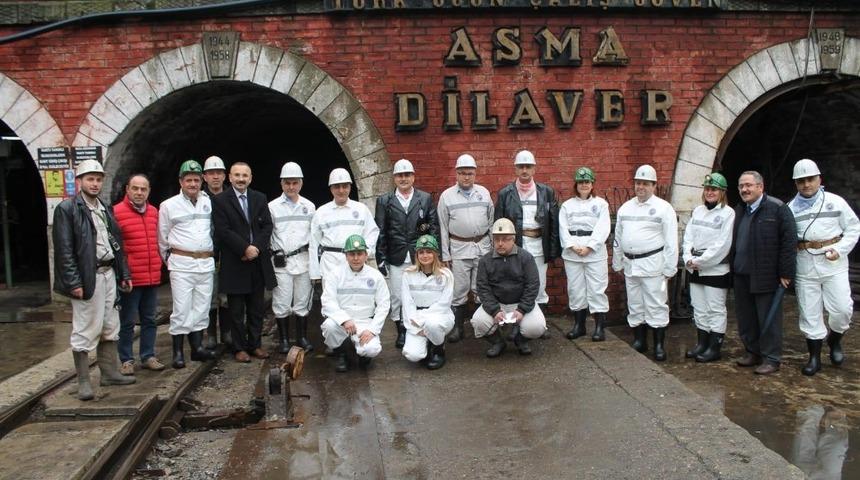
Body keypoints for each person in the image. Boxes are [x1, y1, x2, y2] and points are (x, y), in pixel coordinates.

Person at [53, 159, 135, 400]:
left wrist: (124, 273)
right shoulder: (68, 209)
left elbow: (116, 244)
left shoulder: (104, 208)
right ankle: (84, 382)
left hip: (109, 273)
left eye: (98, 179)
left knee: (110, 324)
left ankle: (109, 373)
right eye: (90, 179)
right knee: (86, 328)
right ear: (80, 181)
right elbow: (64, 249)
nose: (95, 183)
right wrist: (73, 282)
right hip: (88, 276)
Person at [789, 159, 860, 376]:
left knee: (842, 308)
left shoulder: (835, 202)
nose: (806, 185)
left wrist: (840, 249)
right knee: (809, 312)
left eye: (810, 179)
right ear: (796, 183)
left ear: (819, 179)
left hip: (833, 262)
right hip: (805, 263)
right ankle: (814, 357)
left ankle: (835, 339)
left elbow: (853, 228)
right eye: (801, 181)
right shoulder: (790, 209)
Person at [731, 170, 796, 375]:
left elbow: (789, 242)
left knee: (768, 319)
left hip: (766, 275)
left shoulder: (777, 208)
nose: (744, 189)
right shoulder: (740, 209)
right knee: (746, 317)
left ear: (760, 186)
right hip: (741, 274)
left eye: (749, 185)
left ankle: (771, 358)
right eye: (741, 186)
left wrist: (786, 273)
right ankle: (752, 352)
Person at [612, 165, 678, 361]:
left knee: (656, 305)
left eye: (645, 183)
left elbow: (671, 241)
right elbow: (618, 237)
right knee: (635, 304)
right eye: (638, 183)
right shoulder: (626, 207)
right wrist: (617, 262)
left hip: (653, 265)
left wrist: (669, 267)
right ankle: (640, 340)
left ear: (654, 185)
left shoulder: (664, 208)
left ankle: (658, 345)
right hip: (631, 265)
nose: (641, 187)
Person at [213, 162, 276, 363]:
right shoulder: (221, 200)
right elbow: (223, 230)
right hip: (234, 262)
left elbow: (267, 226)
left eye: (245, 175)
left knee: (257, 308)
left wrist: (255, 248)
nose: (241, 179)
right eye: (237, 175)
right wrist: (244, 248)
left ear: (250, 178)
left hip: (257, 261)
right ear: (229, 178)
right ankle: (239, 348)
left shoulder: (259, 198)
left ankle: (255, 345)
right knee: (237, 310)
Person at [158, 160, 218, 369]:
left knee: (201, 308)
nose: (193, 184)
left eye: (196, 180)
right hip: (182, 263)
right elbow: (162, 238)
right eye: (188, 180)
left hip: (205, 262)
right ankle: (177, 353)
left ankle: (197, 348)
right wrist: (171, 261)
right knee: (182, 309)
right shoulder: (168, 205)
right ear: (181, 182)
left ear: (201, 181)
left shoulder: (207, 202)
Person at [375, 158, 439, 350]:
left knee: (418, 293)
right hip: (396, 255)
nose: (403, 179)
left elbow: (432, 228)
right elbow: (380, 230)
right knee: (397, 295)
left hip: (420, 255)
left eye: (407, 175)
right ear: (394, 178)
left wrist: (434, 255)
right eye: (400, 175)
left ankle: (419, 327)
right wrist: (380, 257)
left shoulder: (424, 198)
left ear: (413, 177)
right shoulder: (384, 200)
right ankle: (401, 330)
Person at [437, 153, 494, 343]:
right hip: (459, 248)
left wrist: (493, 248)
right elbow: (443, 227)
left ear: (475, 173)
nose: (466, 177)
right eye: (462, 173)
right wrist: (445, 253)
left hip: (483, 246)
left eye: (469, 173)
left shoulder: (484, 193)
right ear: (456, 173)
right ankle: (458, 328)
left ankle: (481, 326)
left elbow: (492, 221)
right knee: (459, 290)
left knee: (481, 287)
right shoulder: (447, 196)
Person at [494, 150, 560, 310]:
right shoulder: (505, 193)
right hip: (515, 246)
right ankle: (518, 322)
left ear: (534, 169)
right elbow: (498, 224)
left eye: (528, 167)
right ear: (515, 169)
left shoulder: (546, 192)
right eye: (521, 167)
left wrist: (552, 250)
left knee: (539, 284)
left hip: (538, 246)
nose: (524, 170)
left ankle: (540, 322)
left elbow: (553, 223)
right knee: (517, 284)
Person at [471, 218, 547, 357]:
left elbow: (533, 285)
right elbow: (483, 288)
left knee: (537, 327)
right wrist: (494, 310)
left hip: (520, 303)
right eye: (497, 239)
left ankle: (521, 340)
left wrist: (522, 309)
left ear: (513, 239)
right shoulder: (485, 261)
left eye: (505, 239)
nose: (500, 243)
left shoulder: (526, 258)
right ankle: (498, 342)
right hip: (496, 304)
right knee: (478, 322)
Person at [114, 174, 165, 374]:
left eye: (143, 189)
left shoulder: (154, 212)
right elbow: (116, 248)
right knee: (127, 321)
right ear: (127, 189)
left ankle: (148, 356)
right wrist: (122, 274)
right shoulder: (117, 212)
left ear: (149, 191)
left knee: (150, 319)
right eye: (135, 188)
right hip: (131, 278)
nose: (139, 192)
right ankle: (126, 359)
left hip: (151, 276)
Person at [681, 173, 735, 363]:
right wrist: (688, 257)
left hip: (715, 269)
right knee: (699, 307)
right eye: (707, 188)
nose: (710, 192)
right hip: (695, 267)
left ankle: (714, 347)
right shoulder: (698, 211)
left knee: (715, 308)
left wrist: (701, 261)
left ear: (722, 192)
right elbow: (688, 237)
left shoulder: (728, 213)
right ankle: (702, 344)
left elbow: (722, 244)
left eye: (714, 189)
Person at [320, 234, 390, 372]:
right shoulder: (335, 274)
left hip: (365, 321)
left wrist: (372, 330)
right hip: (343, 322)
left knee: (372, 350)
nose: (356, 258)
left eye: (359, 254)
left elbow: (384, 305)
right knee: (329, 326)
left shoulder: (376, 276)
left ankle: (362, 354)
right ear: (346, 255)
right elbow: (327, 301)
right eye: (352, 254)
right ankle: (342, 354)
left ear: (366, 255)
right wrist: (344, 319)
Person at [558, 167, 611, 341]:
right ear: (576, 184)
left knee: (597, 290)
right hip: (573, 253)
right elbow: (563, 229)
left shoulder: (601, 204)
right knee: (576, 290)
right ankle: (579, 326)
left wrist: (590, 247)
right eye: (580, 182)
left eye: (587, 182)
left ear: (592, 183)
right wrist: (572, 246)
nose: (584, 185)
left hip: (594, 253)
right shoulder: (567, 206)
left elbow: (603, 228)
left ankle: (599, 328)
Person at [268, 162, 316, 353]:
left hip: (303, 259)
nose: (291, 187)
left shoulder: (309, 206)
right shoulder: (272, 207)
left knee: (302, 300)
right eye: (287, 183)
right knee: (282, 300)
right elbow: (267, 234)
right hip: (281, 261)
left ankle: (302, 337)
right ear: (281, 183)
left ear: (301, 183)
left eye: (294, 183)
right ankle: (284, 340)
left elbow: (315, 235)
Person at [309, 168, 379, 282]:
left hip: (355, 263)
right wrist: (315, 273)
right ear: (331, 188)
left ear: (350, 187)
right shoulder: (321, 212)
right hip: (329, 265)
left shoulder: (361, 209)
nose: (341, 190)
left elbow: (372, 232)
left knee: (354, 298)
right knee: (330, 299)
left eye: (345, 186)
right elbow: (313, 243)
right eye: (337, 186)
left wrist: (365, 254)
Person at [400, 235, 454, 369]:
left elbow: (444, 304)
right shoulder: (408, 274)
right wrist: (414, 326)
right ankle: (427, 342)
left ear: (435, 254)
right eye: (421, 252)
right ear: (416, 255)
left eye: (429, 251)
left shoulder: (446, 274)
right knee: (413, 355)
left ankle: (438, 349)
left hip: (440, 316)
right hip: (415, 319)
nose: (425, 255)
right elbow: (407, 304)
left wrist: (421, 320)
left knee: (432, 325)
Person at [202, 155, 230, 348]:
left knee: (226, 295)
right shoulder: (199, 198)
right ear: (205, 176)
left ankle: (227, 332)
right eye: (211, 173)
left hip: (227, 254)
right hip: (208, 255)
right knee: (210, 296)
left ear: (224, 176)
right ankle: (211, 334)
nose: (215, 177)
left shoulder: (231, 197)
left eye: (218, 173)